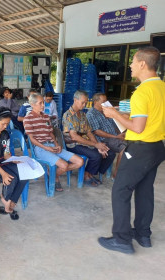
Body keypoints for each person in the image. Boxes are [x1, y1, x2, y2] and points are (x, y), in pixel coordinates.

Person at [98, 47, 165, 254]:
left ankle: (122, 239)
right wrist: (121, 113)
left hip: (139, 149)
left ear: (143, 64)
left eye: (133, 62)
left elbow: (137, 127)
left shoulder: (142, 92)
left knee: (120, 191)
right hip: (157, 148)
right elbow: (151, 116)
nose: (130, 66)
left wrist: (113, 114)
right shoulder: (161, 87)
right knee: (145, 190)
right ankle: (143, 234)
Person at [24, 93, 83, 191]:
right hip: (40, 148)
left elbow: (51, 133)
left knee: (79, 162)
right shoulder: (28, 119)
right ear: (32, 104)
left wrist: (57, 144)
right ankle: (55, 178)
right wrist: (46, 148)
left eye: (43, 102)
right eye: (40, 103)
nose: (43, 105)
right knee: (64, 165)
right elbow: (32, 140)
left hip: (52, 145)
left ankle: (52, 174)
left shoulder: (46, 117)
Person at [62, 90, 115, 187]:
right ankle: (86, 175)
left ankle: (92, 173)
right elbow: (74, 137)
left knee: (109, 153)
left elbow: (89, 132)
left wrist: (98, 146)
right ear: (75, 100)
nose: (84, 105)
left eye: (86, 102)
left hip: (84, 143)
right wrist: (95, 144)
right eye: (82, 102)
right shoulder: (68, 115)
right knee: (96, 155)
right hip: (73, 144)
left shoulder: (82, 115)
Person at [86, 93, 127, 178]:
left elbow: (114, 125)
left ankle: (121, 170)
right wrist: (116, 137)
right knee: (124, 148)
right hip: (104, 139)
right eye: (103, 101)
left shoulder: (106, 112)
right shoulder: (91, 114)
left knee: (133, 145)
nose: (105, 103)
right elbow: (97, 132)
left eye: (106, 101)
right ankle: (116, 175)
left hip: (114, 137)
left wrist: (120, 134)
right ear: (96, 102)